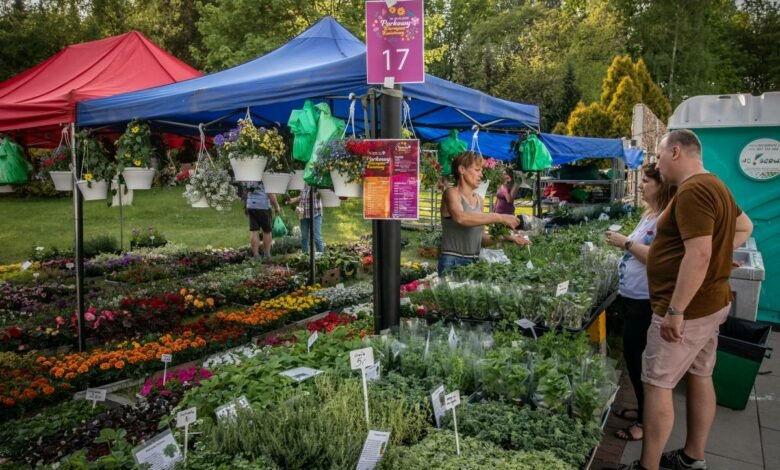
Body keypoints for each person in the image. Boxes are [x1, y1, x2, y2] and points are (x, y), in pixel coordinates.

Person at [619, 130, 753, 470]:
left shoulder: (693, 190)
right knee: (700, 374)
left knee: (658, 384)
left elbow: (699, 254)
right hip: (710, 303)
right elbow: (743, 227)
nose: (659, 165)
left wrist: (675, 311)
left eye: (661, 156)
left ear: (676, 152)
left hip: (688, 310)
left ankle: (647, 466)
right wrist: (720, 258)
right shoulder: (715, 185)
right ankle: (693, 457)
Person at [605, 162, 675, 442]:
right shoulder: (650, 215)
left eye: (647, 181)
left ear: (662, 186)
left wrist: (624, 243)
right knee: (634, 359)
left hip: (647, 301)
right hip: (634, 298)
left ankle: (646, 425)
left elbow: (657, 258)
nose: (641, 185)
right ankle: (643, 411)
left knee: (640, 361)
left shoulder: (664, 219)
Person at [438, 151, 530, 277]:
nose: (481, 175)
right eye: (477, 170)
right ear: (462, 169)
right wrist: (500, 217)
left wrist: (506, 237)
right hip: (452, 261)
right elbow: (460, 217)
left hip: (474, 262)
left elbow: (480, 240)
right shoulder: (452, 193)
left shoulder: (479, 200)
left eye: (481, 170)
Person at [241, 181, 281, 259]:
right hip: (263, 206)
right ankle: (267, 255)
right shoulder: (266, 175)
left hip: (251, 205)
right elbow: (270, 193)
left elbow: (245, 191)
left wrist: (245, 206)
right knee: (267, 231)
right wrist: (277, 206)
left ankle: (256, 255)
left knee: (254, 231)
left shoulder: (249, 175)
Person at [287, 183, 324, 254]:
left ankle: (321, 258)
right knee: (304, 238)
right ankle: (305, 257)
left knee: (317, 238)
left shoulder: (317, 181)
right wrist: (293, 200)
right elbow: (302, 196)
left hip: (316, 213)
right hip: (304, 214)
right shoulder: (303, 182)